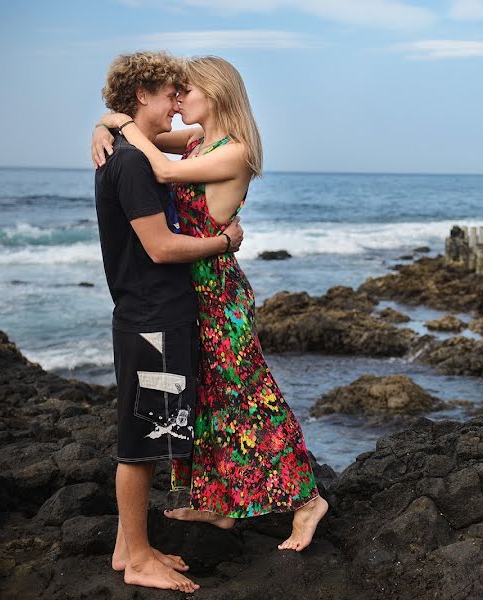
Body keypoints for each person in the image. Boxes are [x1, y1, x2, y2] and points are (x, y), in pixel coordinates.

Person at [92, 55, 328, 553]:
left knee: (248, 397)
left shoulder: (235, 152)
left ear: (215, 93)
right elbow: (147, 139)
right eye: (174, 93)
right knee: (205, 401)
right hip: (188, 290)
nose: (179, 101)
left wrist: (119, 123)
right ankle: (218, 501)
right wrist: (106, 121)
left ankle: (307, 500)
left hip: (218, 292)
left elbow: (156, 164)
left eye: (187, 91)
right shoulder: (199, 141)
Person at [95, 51, 245, 592]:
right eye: (169, 94)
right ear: (143, 96)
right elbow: (160, 248)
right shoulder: (133, 163)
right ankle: (137, 559)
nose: (176, 103)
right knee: (144, 441)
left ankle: (126, 547)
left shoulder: (131, 150)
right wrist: (223, 242)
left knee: (150, 433)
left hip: (149, 314)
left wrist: (108, 122)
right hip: (153, 317)